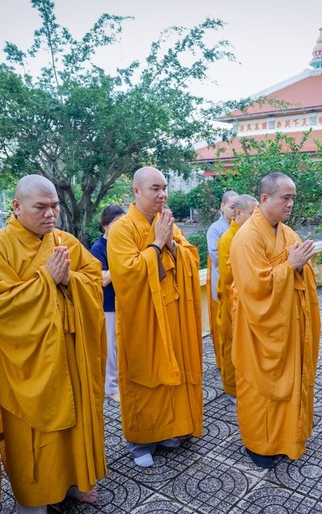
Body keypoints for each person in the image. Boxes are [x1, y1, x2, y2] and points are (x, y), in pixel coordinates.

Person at [0, 175, 106, 513]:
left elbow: (92, 280)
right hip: (27, 360)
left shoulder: (66, 242)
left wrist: (68, 280)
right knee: (32, 432)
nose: (51, 214)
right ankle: (32, 497)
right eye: (41, 207)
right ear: (16, 207)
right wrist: (47, 280)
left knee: (75, 424)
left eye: (55, 206)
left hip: (70, 354)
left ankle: (74, 481)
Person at [107, 166, 203, 468]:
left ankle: (170, 431)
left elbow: (189, 256)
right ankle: (141, 442)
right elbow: (126, 275)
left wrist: (172, 244)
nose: (162, 194)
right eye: (154, 188)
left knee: (173, 373)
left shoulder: (166, 222)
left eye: (164, 188)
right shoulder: (122, 229)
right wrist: (157, 245)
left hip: (172, 314)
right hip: (144, 320)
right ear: (136, 191)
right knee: (147, 377)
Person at [230, 173, 320, 469]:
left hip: (289, 325)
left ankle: (287, 437)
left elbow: (299, 268)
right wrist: (289, 267)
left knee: (291, 381)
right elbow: (254, 287)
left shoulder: (287, 233)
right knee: (260, 389)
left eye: (293, 197)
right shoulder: (247, 237)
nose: (291, 204)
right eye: (286, 197)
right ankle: (260, 444)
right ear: (265, 198)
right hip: (260, 330)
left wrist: (298, 265)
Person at [216, 194, 258, 402]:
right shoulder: (228, 239)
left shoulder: (250, 235)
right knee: (232, 343)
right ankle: (232, 388)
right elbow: (228, 277)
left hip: (250, 301)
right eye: (253, 214)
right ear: (238, 213)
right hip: (234, 300)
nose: (256, 217)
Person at [90, 204, 126, 402]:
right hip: (108, 305)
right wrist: (122, 264)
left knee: (123, 345)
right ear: (105, 225)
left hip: (125, 301)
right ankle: (111, 387)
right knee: (110, 347)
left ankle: (123, 381)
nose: (121, 227)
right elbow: (102, 278)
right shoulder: (98, 248)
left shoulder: (122, 244)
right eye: (116, 223)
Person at [206, 190, 239, 367]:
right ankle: (223, 363)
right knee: (223, 328)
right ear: (222, 207)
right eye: (231, 207)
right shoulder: (216, 229)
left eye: (237, 207)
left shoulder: (241, 226)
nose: (234, 211)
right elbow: (215, 255)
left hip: (239, 283)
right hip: (222, 281)